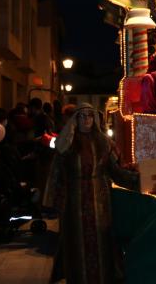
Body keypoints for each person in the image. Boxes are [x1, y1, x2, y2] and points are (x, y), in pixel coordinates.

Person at [49, 103, 127, 284]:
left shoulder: (104, 142)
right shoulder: (68, 143)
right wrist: (57, 201)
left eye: (90, 116)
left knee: (102, 243)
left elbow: (115, 170)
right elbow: (57, 172)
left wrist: (137, 179)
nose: (86, 120)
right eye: (82, 116)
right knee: (76, 245)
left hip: (100, 201)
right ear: (76, 119)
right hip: (74, 202)